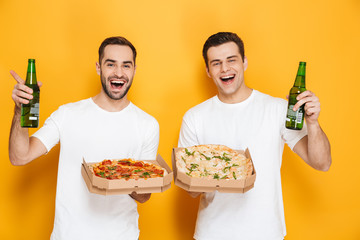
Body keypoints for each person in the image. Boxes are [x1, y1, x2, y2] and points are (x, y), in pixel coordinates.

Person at [178, 32, 331, 240]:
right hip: (212, 234)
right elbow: (191, 191)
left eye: (231, 60)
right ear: (208, 70)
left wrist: (312, 123)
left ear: (244, 62)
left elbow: (322, 163)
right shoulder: (194, 117)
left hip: (266, 233)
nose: (225, 69)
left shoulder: (277, 109)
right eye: (216, 63)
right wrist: (220, 169)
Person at [9, 36, 159, 240]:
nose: (118, 73)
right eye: (110, 64)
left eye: (126, 65)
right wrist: (20, 110)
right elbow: (20, 156)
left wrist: (120, 174)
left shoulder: (147, 125)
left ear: (134, 70)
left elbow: (143, 196)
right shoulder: (67, 114)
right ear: (98, 68)